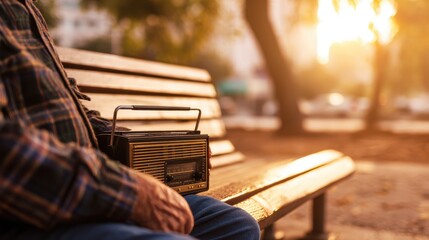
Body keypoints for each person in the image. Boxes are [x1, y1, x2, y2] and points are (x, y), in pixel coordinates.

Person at [0, 1, 260, 239]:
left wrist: (151, 146)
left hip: (87, 188)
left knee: (236, 225)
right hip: (30, 210)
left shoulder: (26, 8)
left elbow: (75, 112)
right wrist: (129, 194)